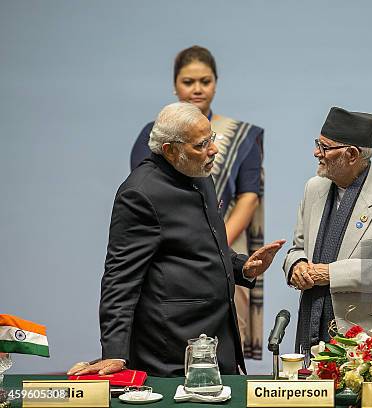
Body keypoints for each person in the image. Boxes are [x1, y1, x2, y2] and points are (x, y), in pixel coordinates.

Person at [68, 102, 284, 377]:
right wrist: (114, 352)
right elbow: (120, 278)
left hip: (218, 340)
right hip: (170, 352)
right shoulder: (139, 193)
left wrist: (242, 267)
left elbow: (202, 244)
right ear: (170, 150)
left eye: (211, 139)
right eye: (201, 144)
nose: (213, 150)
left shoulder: (199, 173)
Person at [130, 46, 264, 358]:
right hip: (170, 255)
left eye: (205, 81)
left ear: (216, 83)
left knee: (223, 347)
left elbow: (248, 196)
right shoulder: (152, 135)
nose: (197, 89)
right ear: (175, 85)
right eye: (188, 82)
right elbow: (148, 192)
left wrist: (217, 246)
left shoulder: (244, 135)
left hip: (226, 248)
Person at [283, 107, 372, 355]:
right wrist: (296, 265)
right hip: (312, 319)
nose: (317, 153)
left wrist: (330, 273)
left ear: (351, 154)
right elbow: (298, 247)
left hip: (368, 335)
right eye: (318, 144)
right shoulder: (314, 188)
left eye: (325, 147)